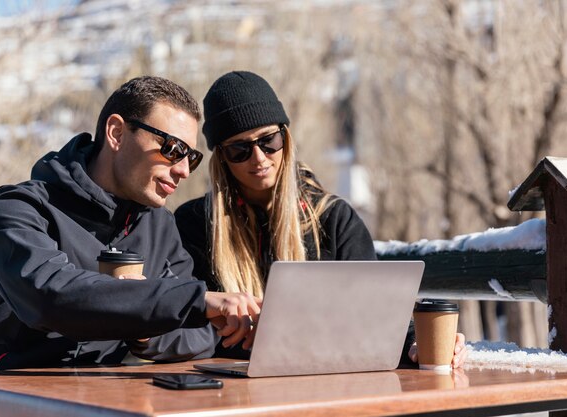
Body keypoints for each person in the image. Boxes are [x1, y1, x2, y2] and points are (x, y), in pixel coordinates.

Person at [0, 76, 260, 372]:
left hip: (102, 401)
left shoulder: (160, 228)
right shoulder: (18, 209)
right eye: (172, 149)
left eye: (191, 158)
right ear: (116, 133)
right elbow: (51, 298)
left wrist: (143, 329)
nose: (183, 170)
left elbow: (198, 338)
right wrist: (192, 301)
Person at [173, 70, 467, 367]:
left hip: (321, 379)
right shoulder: (195, 223)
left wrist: (417, 342)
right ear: (222, 157)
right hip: (229, 387)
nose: (259, 158)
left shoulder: (333, 217)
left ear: (285, 138)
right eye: (239, 149)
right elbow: (183, 318)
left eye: (268, 141)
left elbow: (379, 308)